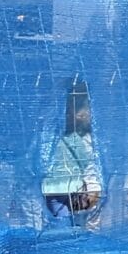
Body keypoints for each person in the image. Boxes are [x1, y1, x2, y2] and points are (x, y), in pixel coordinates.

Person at [38, 80, 101, 224]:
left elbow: (87, 165)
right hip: (56, 187)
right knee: (64, 222)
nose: (86, 114)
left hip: (73, 188)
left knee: (72, 221)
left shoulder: (82, 137)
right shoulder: (59, 135)